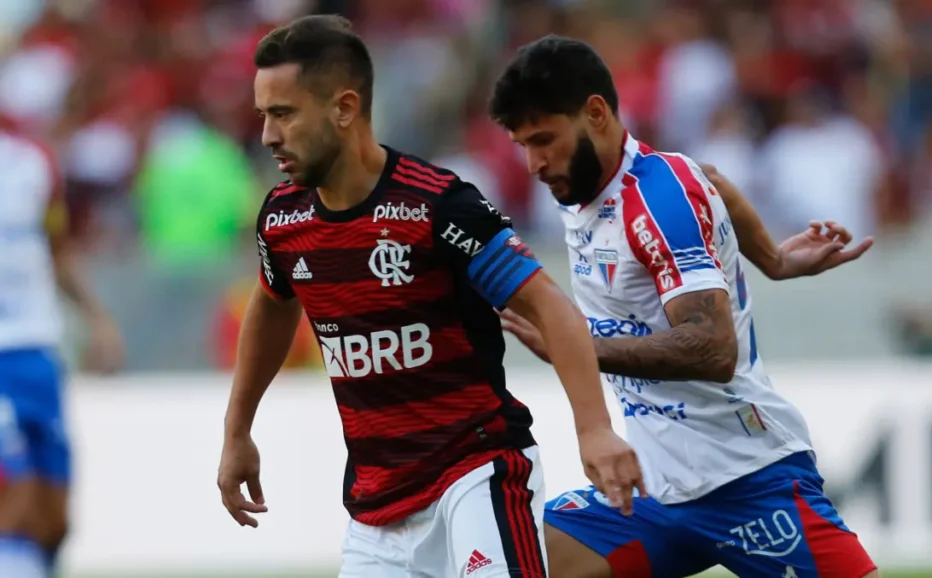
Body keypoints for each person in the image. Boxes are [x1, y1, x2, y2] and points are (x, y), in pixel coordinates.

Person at [215, 16, 643, 578]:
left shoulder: (436, 206)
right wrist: (238, 431)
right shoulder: (283, 219)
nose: (269, 136)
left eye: (284, 114)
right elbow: (273, 303)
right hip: (375, 510)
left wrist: (593, 428)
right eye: (264, 115)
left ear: (344, 109)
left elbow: (548, 305)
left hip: (474, 475)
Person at [489, 35, 880, 578]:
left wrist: (575, 344)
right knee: (512, 562)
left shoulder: (654, 203)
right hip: (651, 491)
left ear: (596, 114)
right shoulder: (598, 183)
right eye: (522, 145)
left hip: (747, 480)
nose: (533, 163)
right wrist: (771, 258)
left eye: (544, 140)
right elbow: (711, 178)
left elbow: (715, 348)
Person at [0, 115, 124, 578]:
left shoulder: (31, 163)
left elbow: (56, 249)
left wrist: (97, 318)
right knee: (13, 502)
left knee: (54, 521)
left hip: (37, 350)